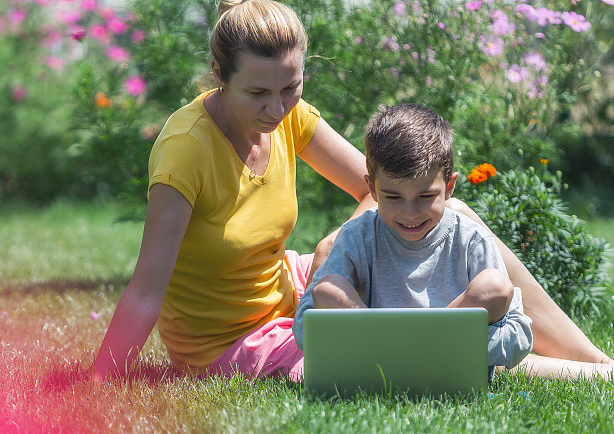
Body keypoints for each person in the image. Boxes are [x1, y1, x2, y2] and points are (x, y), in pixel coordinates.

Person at [91, 0, 613, 382]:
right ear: (218, 76)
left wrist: (337, 238)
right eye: (257, 93)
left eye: (290, 87)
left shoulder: (288, 118)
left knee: (450, 211)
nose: (277, 109)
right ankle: (575, 377)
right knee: (392, 364)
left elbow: (378, 185)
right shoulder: (186, 150)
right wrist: (97, 385)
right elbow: (145, 292)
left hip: (288, 287)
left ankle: (593, 359)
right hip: (227, 339)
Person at [292, 103, 533, 377]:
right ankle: (389, 354)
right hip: (376, 362)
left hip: (450, 366)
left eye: (426, 197)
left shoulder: (470, 240)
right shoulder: (358, 236)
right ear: (372, 188)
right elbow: (303, 326)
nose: (410, 213)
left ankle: (406, 353)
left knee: (495, 286)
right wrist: (386, 345)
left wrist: (439, 348)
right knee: (327, 289)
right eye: (393, 197)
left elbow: (520, 335)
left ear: (449, 187)